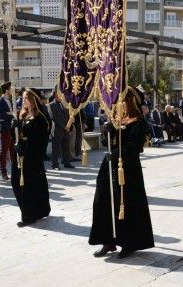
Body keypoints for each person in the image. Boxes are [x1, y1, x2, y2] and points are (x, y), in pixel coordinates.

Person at [89, 86, 154, 259]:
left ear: (131, 102)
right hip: (110, 165)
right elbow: (106, 142)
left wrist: (118, 153)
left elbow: (135, 147)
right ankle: (107, 241)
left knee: (126, 204)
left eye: (124, 101)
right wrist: (107, 130)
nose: (121, 104)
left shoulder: (138, 122)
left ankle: (129, 242)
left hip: (128, 167)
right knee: (104, 201)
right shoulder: (116, 119)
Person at [11, 88, 51, 227]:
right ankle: (30, 210)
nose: (23, 101)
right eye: (22, 98)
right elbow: (16, 136)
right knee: (16, 182)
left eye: (26, 98)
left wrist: (26, 146)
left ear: (33, 100)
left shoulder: (40, 118)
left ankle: (29, 215)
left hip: (31, 158)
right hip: (20, 156)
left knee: (29, 187)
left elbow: (40, 140)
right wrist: (14, 127)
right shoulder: (22, 116)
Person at [0, 81, 16, 180]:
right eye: (11, 88)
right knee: (4, 150)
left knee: (13, 149)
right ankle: (3, 172)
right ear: (7, 90)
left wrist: (10, 113)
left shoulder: (11, 100)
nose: (13, 90)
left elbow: (9, 113)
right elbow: (3, 115)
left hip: (13, 127)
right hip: (5, 128)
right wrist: (13, 113)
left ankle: (14, 170)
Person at [49, 91, 74, 170]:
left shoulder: (64, 104)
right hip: (57, 130)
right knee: (56, 148)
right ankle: (55, 164)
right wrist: (64, 127)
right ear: (55, 95)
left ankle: (67, 162)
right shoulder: (51, 105)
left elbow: (67, 115)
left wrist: (69, 125)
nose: (62, 95)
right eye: (59, 94)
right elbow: (54, 118)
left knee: (66, 147)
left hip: (66, 129)